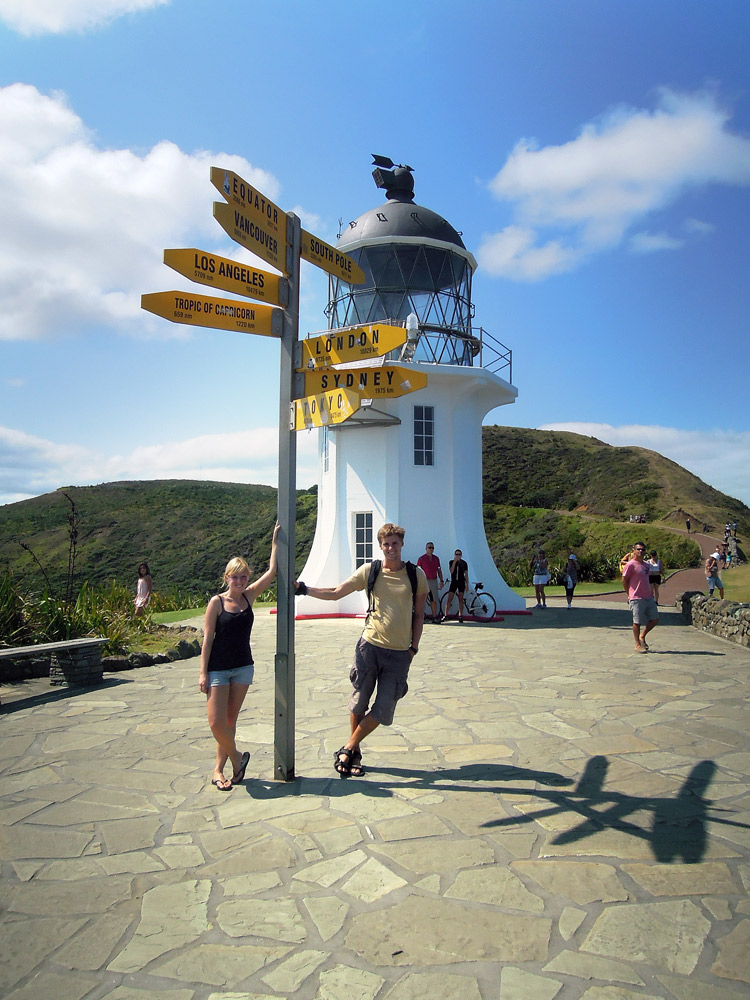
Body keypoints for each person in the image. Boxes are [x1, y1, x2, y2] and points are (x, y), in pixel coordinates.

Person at [294, 523, 427, 777]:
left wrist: (413, 648)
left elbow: (419, 614)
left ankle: (347, 747)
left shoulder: (415, 574)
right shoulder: (371, 571)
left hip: (400, 653)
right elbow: (336, 593)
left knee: (384, 707)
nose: (390, 548)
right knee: (359, 704)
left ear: (402, 544)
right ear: (380, 546)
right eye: (386, 544)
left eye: (395, 543)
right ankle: (354, 755)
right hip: (370, 647)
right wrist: (304, 589)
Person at [199, 524, 280, 791]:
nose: (240, 581)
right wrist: (203, 672)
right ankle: (237, 758)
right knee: (215, 722)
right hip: (218, 670)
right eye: (235, 577)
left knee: (230, 722)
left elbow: (272, 573)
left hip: (243, 668)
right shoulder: (216, 602)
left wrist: (274, 543)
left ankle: (219, 771)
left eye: (243, 577)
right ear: (227, 577)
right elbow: (207, 638)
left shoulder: (249, 597)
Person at [622, 542, 659, 653]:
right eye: (638, 549)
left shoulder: (646, 565)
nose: (641, 551)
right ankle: (637, 644)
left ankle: (642, 636)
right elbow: (624, 580)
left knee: (655, 618)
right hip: (636, 597)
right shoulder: (630, 565)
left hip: (648, 596)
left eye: (643, 549)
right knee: (637, 621)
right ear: (634, 550)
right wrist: (629, 593)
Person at [417, 542, 444, 622]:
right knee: (422, 600)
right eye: (429, 547)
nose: (431, 549)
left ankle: (434, 616)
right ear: (426, 549)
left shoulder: (436, 559)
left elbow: (439, 570)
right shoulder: (421, 559)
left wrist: (441, 580)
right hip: (424, 581)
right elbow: (418, 571)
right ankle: (421, 617)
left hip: (433, 581)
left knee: (434, 599)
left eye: (432, 548)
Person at [447, 548, 470, 622]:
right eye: (456, 554)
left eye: (459, 555)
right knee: (449, 598)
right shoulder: (451, 562)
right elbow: (451, 571)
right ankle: (445, 615)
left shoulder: (464, 563)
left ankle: (460, 615)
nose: (458, 556)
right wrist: (454, 561)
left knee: (461, 599)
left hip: (461, 582)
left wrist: (467, 583)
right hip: (454, 581)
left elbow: (466, 574)